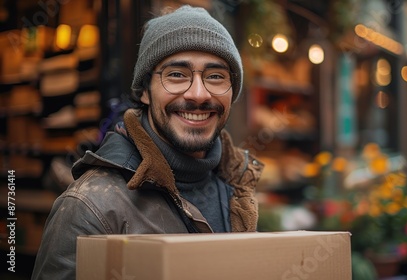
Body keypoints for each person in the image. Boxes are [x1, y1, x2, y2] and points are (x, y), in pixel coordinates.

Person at [31, 5, 264, 279]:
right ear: (144, 91)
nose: (199, 94)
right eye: (177, 74)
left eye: (215, 76)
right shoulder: (89, 205)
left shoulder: (236, 187)